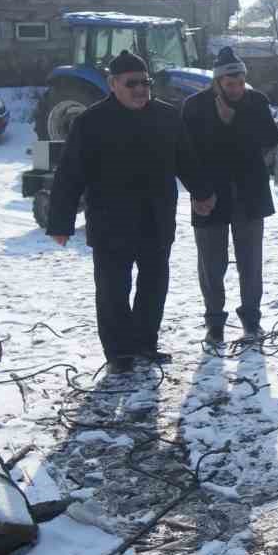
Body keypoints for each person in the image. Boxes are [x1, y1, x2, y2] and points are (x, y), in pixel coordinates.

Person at [45, 48, 209, 374]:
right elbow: (70, 173)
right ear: (112, 84)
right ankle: (119, 353)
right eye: (132, 83)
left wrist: (202, 192)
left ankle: (145, 344)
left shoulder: (166, 116)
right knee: (112, 290)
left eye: (145, 83)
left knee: (153, 285)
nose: (141, 90)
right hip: (111, 223)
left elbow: (186, 158)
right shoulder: (91, 122)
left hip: (156, 219)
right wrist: (61, 221)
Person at [182, 46, 278, 343]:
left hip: (249, 195)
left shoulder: (256, 101)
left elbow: (269, 138)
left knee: (251, 263)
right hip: (209, 195)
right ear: (217, 82)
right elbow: (187, 153)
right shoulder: (195, 106)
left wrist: (233, 120)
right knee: (212, 265)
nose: (236, 89)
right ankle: (214, 322)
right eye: (229, 84)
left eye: (240, 83)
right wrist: (199, 193)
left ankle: (251, 319)